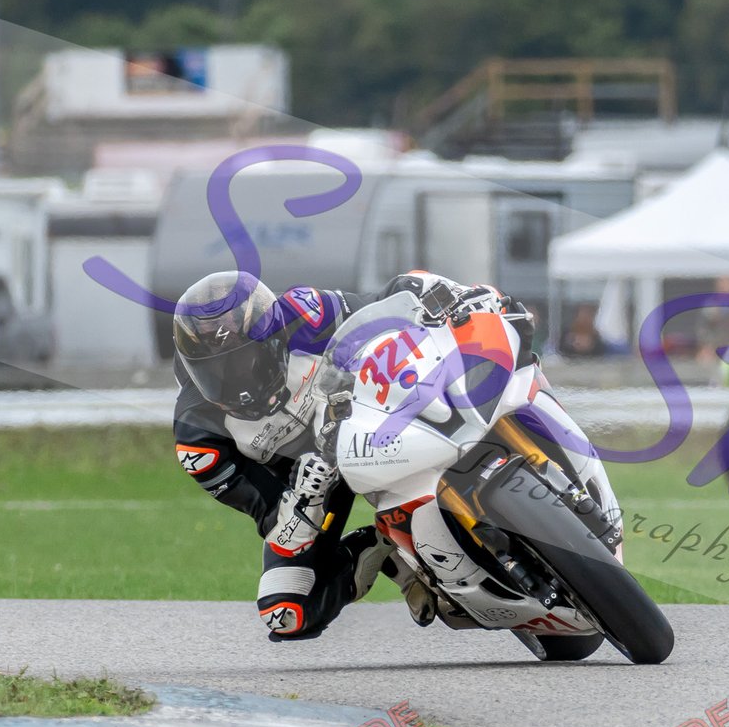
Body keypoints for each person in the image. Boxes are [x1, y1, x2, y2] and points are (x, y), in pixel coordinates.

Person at [171, 268, 506, 640]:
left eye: (242, 360)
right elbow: (273, 521)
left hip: (371, 420)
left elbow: (385, 304)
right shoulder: (198, 438)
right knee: (285, 614)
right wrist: (306, 497)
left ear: (272, 339)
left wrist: (441, 292)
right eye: (213, 372)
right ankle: (382, 548)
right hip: (315, 483)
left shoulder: (302, 313)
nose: (235, 381)